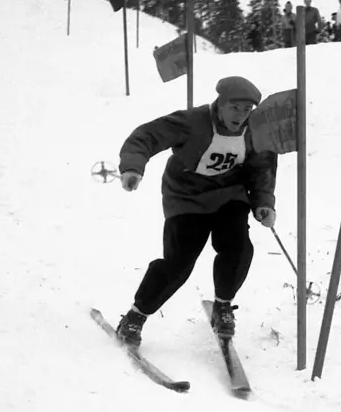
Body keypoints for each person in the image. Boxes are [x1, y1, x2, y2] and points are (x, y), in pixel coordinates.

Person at [113, 76, 278, 346]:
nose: (240, 116)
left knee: (238, 248)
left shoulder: (254, 131)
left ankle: (223, 306)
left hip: (229, 195)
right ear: (221, 104)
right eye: (235, 108)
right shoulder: (193, 122)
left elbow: (262, 167)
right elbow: (148, 135)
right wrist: (133, 167)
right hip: (186, 197)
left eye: (247, 110)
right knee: (179, 263)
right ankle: (136, 315)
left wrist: (263, 203)